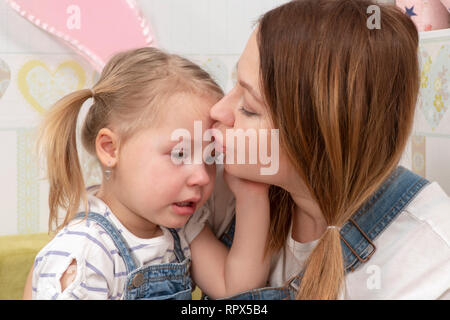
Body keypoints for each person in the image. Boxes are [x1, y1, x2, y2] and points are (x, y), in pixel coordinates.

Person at [207, 0, 450, 299]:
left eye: (248, 108)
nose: (218, 111)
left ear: (317, 134)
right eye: (235, 87)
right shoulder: (218, 190)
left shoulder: (433, 267)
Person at [29, 47, 271, 299]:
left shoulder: (182, 227)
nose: (201, 177)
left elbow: (236, 291)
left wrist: (251, 194)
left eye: (210, 156)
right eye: (179, 154)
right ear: (110, 148)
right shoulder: (87, 253)